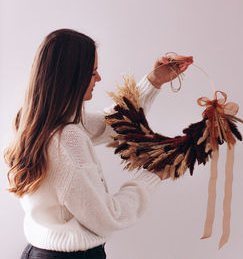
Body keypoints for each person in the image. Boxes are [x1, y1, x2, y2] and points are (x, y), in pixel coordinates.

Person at [4, 29, 193, 259]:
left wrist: (154, 81)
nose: (99, 79)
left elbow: (112, 124)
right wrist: (154, 174)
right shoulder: (66, 140)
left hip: (38, 252)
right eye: (93, 72)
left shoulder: (32, 121)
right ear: (72, 77)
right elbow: (109, 217)